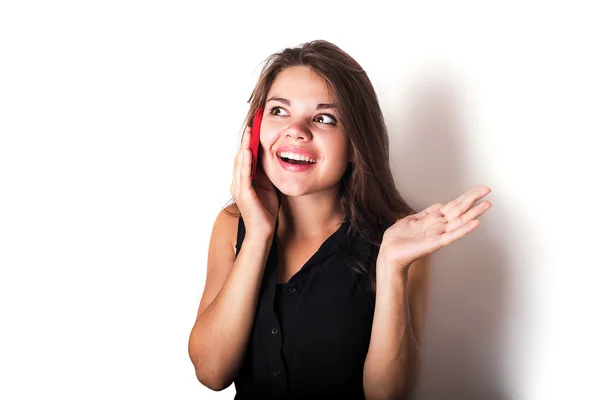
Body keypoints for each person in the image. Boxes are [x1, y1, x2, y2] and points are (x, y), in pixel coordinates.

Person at [188, 40, 492, 399]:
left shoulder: (401, 241)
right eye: (279, 111)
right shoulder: (232, 224)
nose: (296, 130)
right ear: (256, 128)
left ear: (355, 144)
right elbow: (211, 372)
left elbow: (387, 396)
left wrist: (392, 268)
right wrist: (258, 234)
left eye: (324, 118)